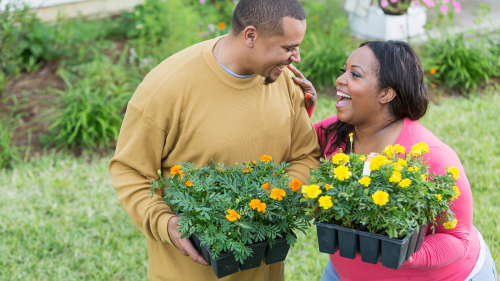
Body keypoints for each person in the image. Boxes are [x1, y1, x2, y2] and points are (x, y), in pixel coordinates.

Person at [108, 0, 320, 280]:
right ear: (251, 36)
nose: (297, 57)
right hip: (192, 271)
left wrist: (274, 201)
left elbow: (306, 155)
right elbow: (130, 171)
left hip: (264, 270)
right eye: (288, 47)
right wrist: (165, 223)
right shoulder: (166, 88)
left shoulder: (282, 80)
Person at [307, 41, 497, 281]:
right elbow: (294, 151)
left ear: (387, 93)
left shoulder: (431, 157)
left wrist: (403, 253)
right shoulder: (332, 132)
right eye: (342, 71)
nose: (340, 80)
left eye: (355, 74)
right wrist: (303, 113)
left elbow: (457, 237)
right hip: (344, 274)